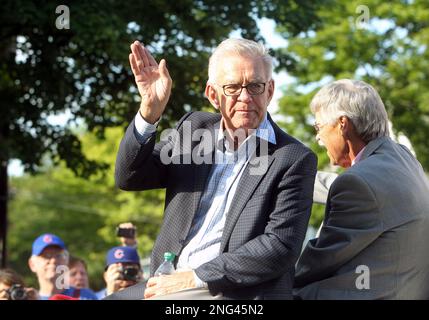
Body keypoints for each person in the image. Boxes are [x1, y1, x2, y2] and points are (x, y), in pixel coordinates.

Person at [110, 38, 317, 300]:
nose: (245, 97)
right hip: (165, 282)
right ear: (212, 95)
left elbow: (280, 246)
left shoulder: (292, 157)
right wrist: (149, 112)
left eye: (255, 86)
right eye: (232, 87)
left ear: (270, 90)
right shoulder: (193, 129)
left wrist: (196, 276)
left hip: (230, 291)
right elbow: (130, 177)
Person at [293, 79, 429, 299]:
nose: (318, 137)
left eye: (318, 127)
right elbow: (355, 188)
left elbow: (317, 264)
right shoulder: (402, 158)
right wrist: (287, 179)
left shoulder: (358, 183)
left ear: (343, 124)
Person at [28, 233, 97, 300]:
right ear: (32, 264)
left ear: (66, 261)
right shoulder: (29, 298)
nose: (53, 260)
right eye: (46, 256)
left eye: (58, 255)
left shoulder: (85, 296)